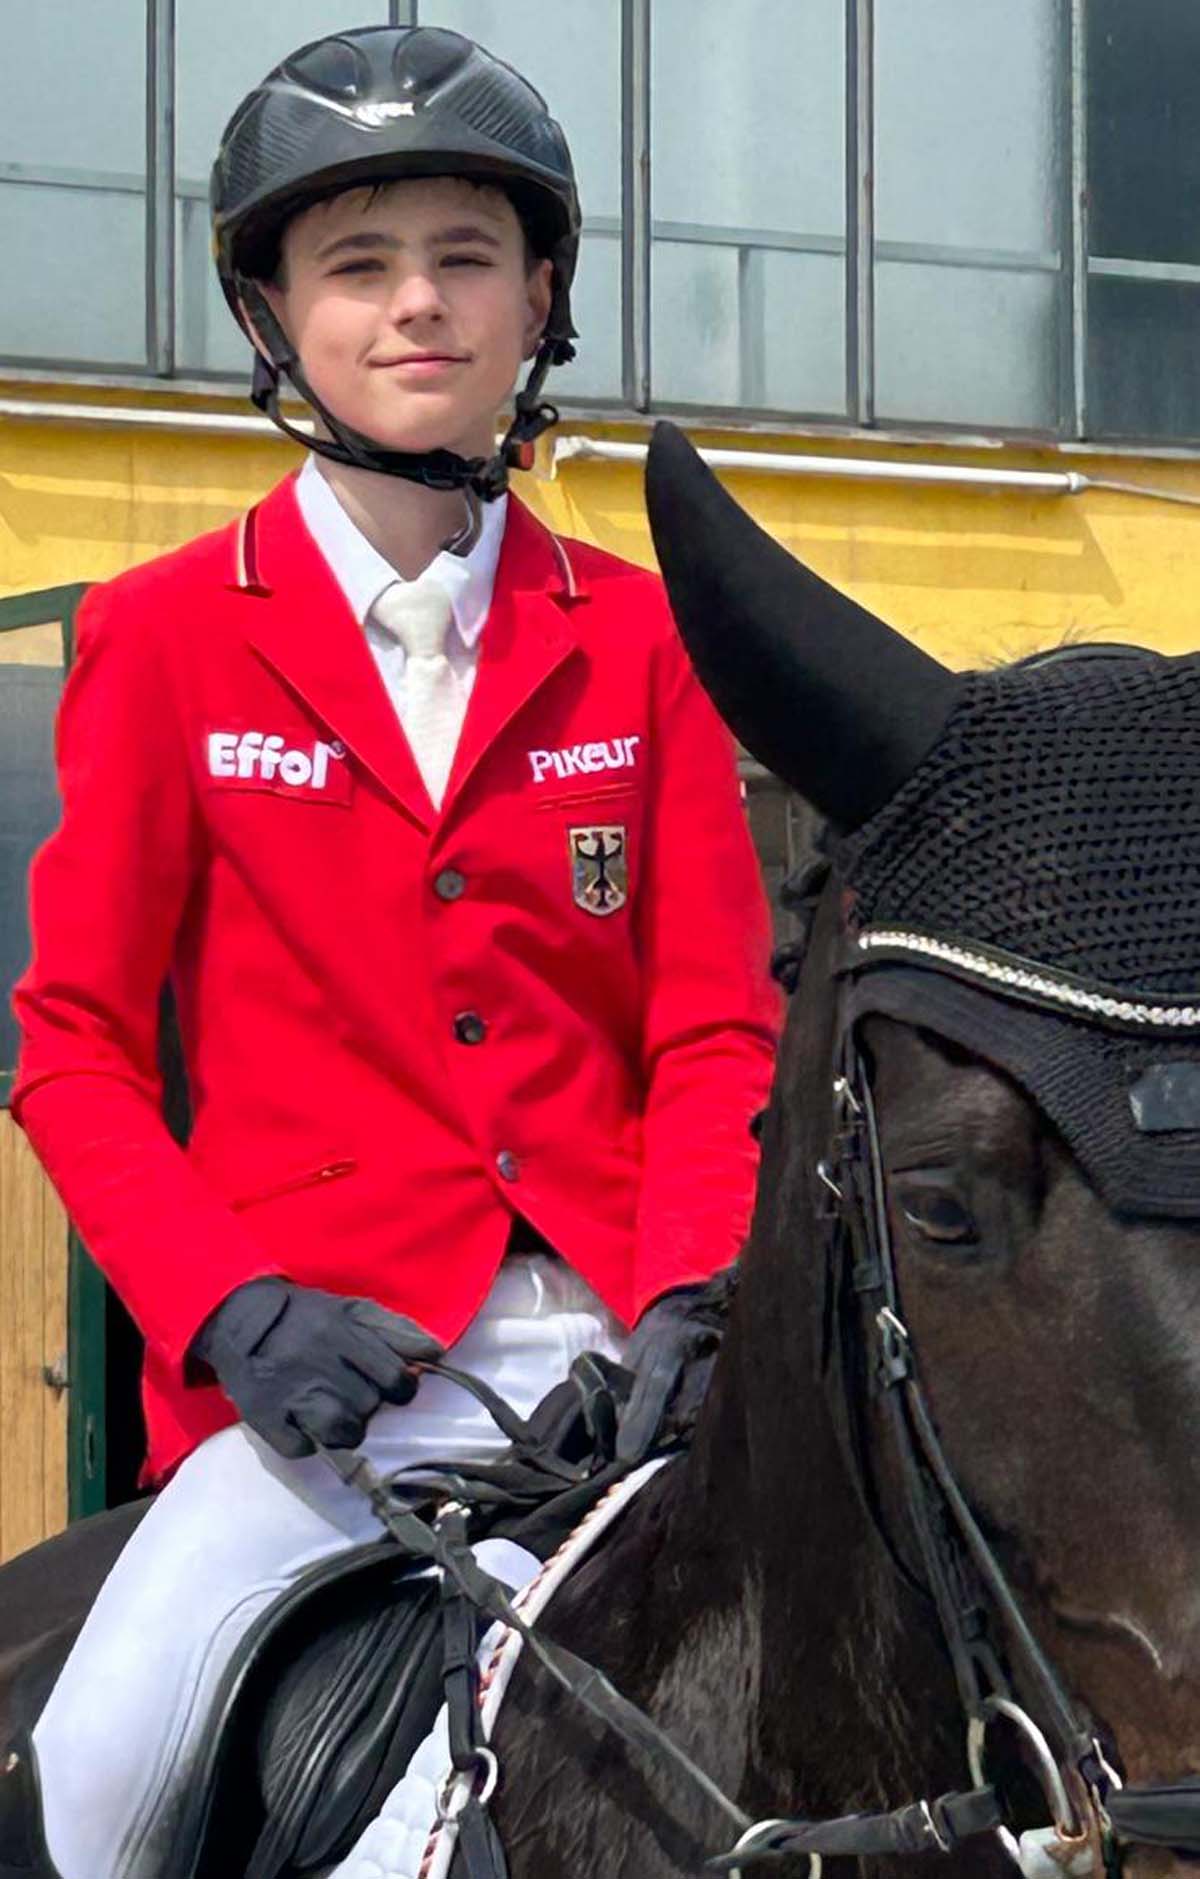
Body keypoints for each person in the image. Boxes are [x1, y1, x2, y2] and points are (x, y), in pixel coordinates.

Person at [7, 25, 780, 1879]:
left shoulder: (652, 642)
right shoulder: (169, 635)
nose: (417, 305)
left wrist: (689, 1298)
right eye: (358, 265)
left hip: (614, 1358)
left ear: (539, 303)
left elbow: (714, 1036)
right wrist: (226, 1309)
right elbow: (75, 1047)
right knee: (100, 1766)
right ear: (277, 320)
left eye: (464, 257)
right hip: (313, 1378)